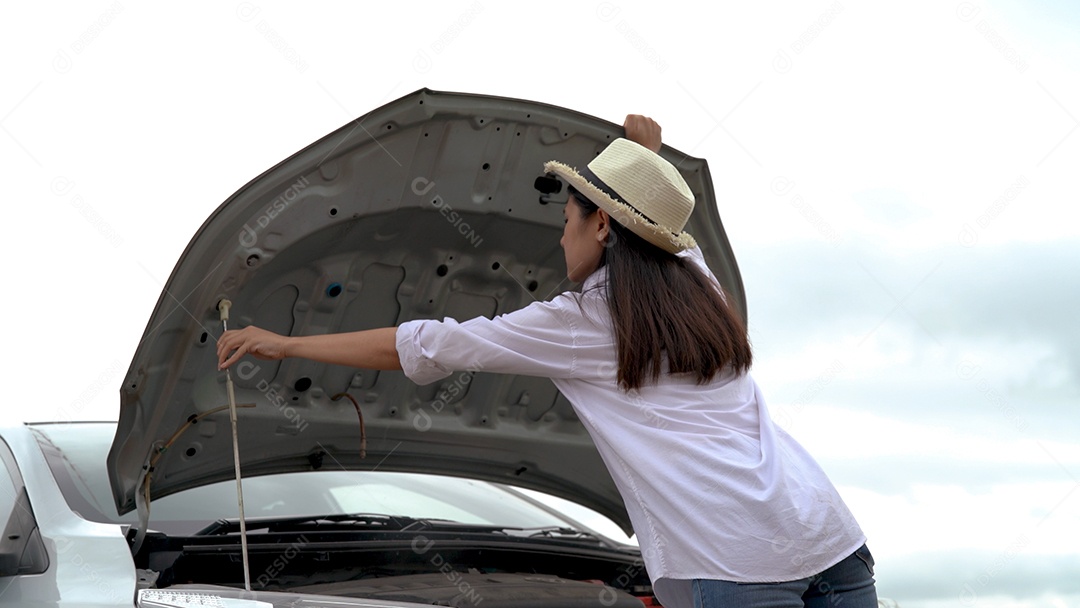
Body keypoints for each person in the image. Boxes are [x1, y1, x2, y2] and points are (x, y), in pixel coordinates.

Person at [217, 115, 878, 608]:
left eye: (567, 217)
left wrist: (286, 344)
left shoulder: (579, 322)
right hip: (829, 539)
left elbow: (420, 344)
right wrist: (638, 160)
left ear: (601, 227)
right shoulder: (698, 284)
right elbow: (653, 225)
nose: (560, 233)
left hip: (733, 566)